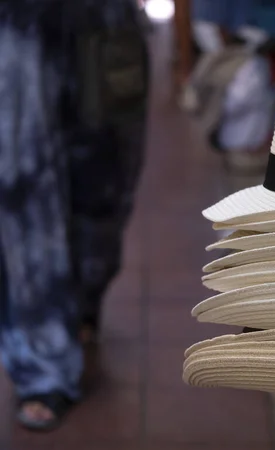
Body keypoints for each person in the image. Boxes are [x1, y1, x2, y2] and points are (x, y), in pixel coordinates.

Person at [0, 0, 147, 431]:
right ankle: (41, 359)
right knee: (22, 185)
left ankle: (83, 299)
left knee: (107, 175)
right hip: (13, 23)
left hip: (104, 15)